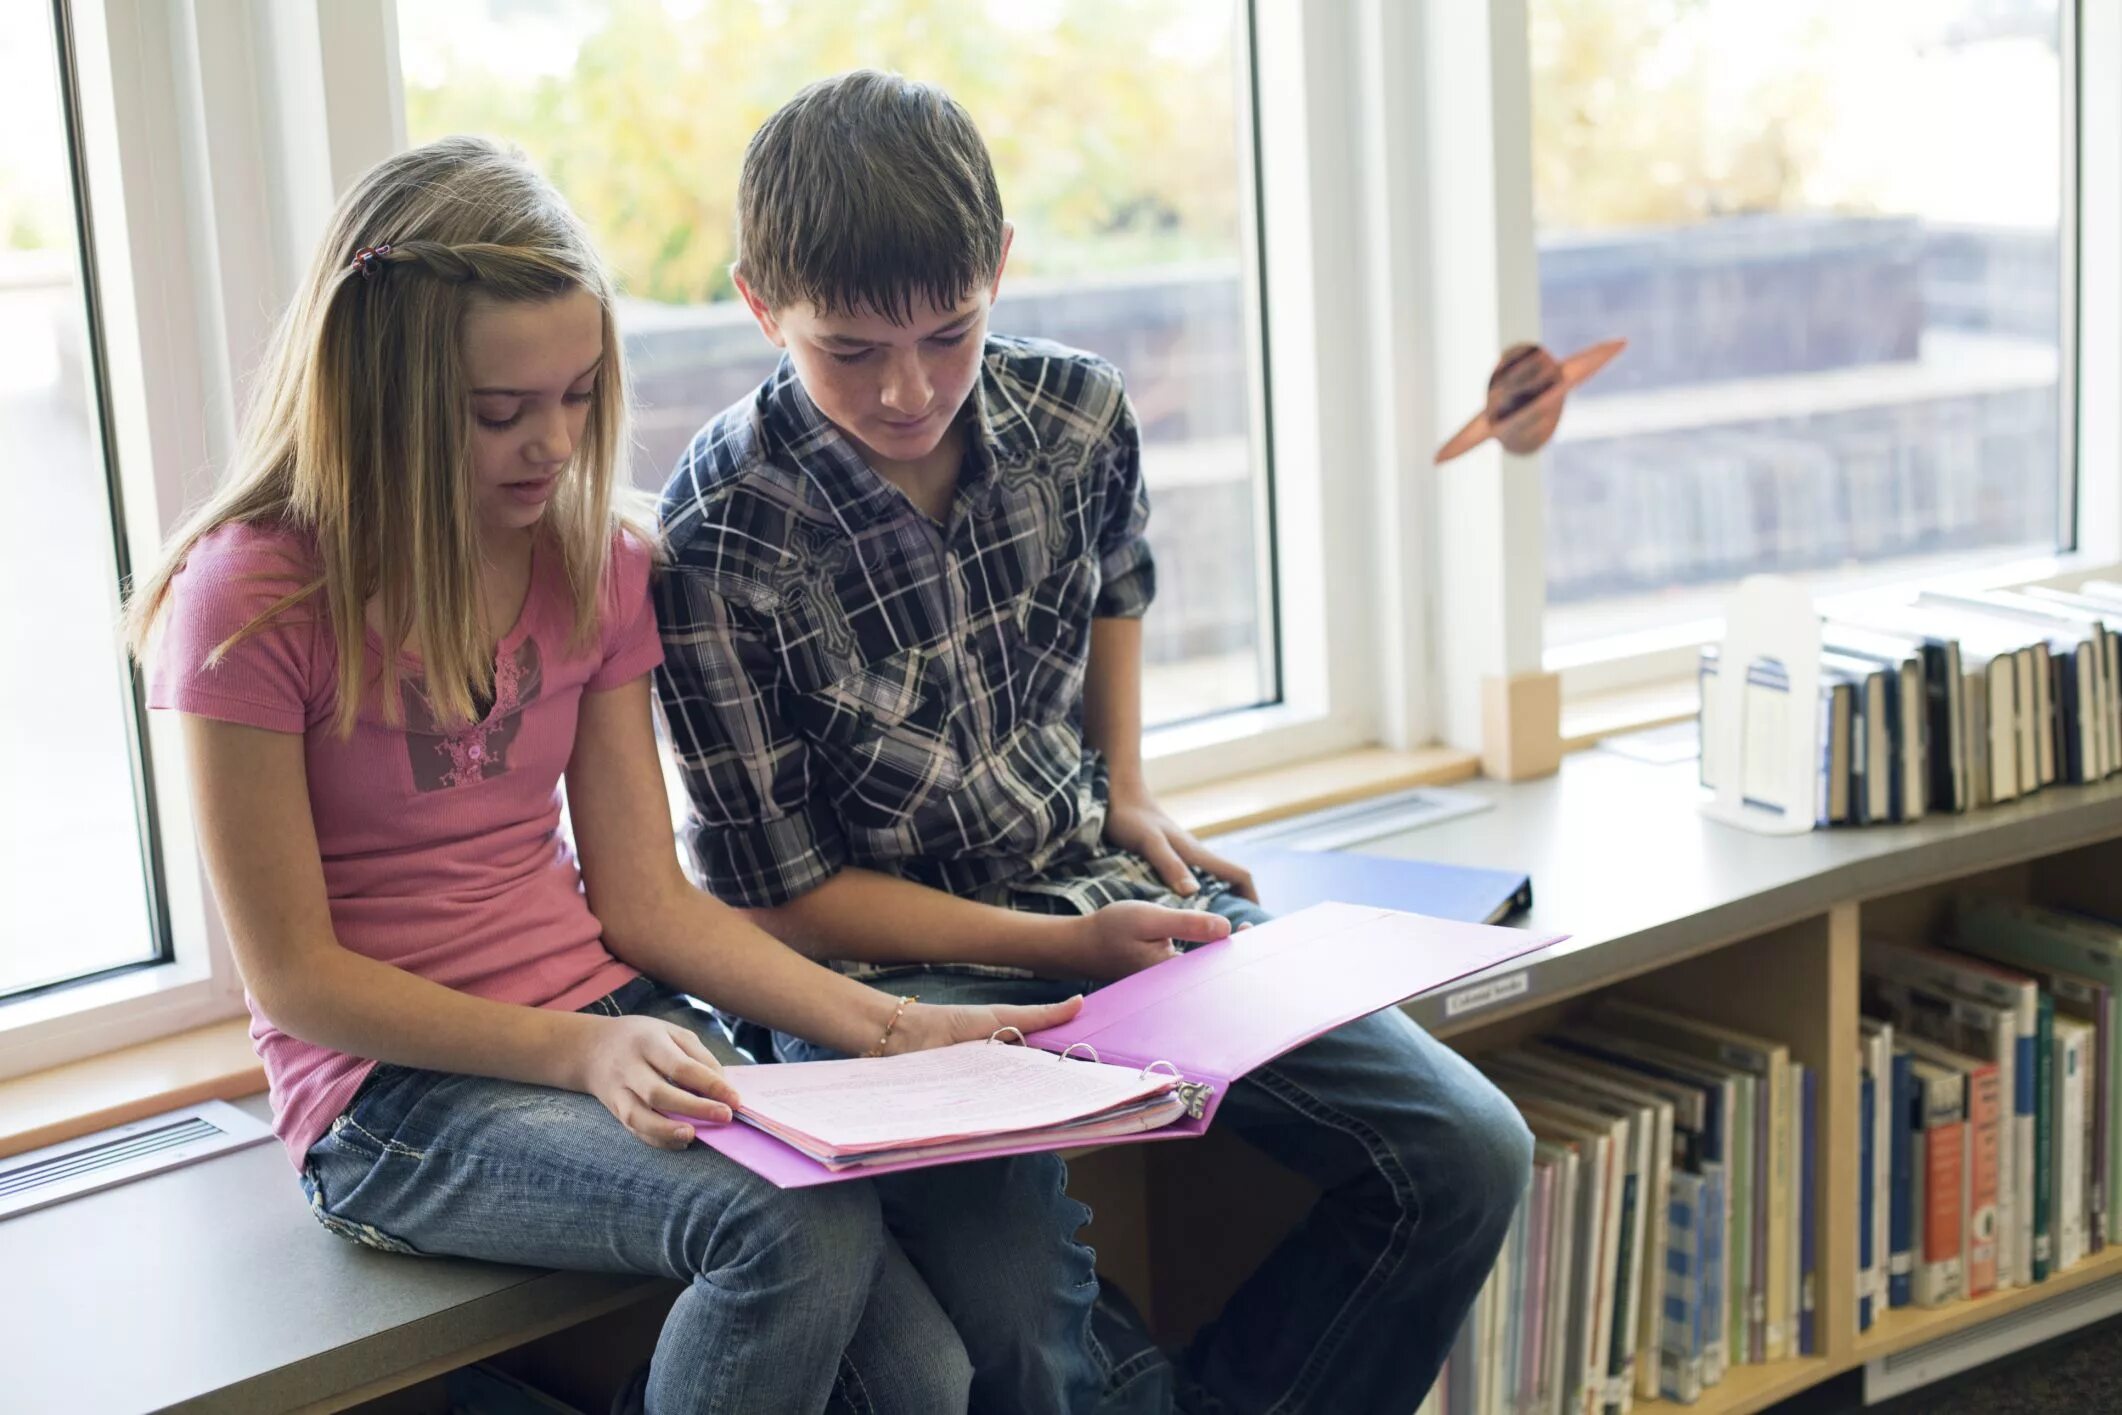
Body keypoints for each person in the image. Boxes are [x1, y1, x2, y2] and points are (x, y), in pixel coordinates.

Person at [126, 134, 1083, 1415]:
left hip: (610, 1016)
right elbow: (296, 977)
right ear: (381, 395)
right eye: (499, 413)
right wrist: (577, 1051)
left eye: (578, 397)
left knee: (927, 1381)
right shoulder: (252, 596)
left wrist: (897, 1030)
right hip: (389, 1098)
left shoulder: (593, 561)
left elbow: (647, 900)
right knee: (787, 1231)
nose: (552, 446)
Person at [653, 72, 1536, 1414]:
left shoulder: (1074, 414)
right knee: (1016, 1328)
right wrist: (1061, 949)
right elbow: (780, 903)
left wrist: (1125, 787)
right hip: (882, 987)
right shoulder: (720, 532)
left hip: (1095, 899)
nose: (907, 389)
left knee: (1465, 1150)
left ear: (1001, 271)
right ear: (758, 306)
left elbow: (1117, 584)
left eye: (948, 333)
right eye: (850, 351)